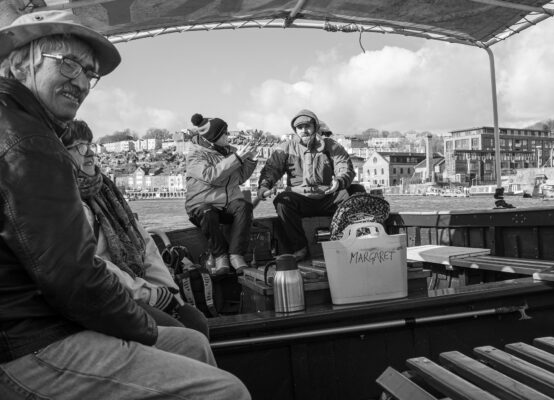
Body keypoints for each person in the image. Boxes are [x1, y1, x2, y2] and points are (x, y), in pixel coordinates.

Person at [0, 10, 249, 400]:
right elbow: (72, 277)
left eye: (88, 72)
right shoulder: (27, 141)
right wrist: (145, 325)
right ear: (18, 63)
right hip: (30, 343)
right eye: (68, 64)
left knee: (192, 344)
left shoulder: (25, 129)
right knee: (225, 391)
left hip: (47, 322)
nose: (81, 81)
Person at [63, 119, 210, 337]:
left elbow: (145, 245)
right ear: (60, 154)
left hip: (139, 287)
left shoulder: (107, 192)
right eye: (80, 147)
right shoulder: (62, 200)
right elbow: (90, 264)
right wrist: (147, 293)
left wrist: (170, 292)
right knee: (182, 335)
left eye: (90, 145)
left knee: (196, 320)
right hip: (108, 295)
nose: (90, 153)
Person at [257, 109, 356, 260]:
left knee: (352, 194)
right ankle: (300, 248)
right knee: (282, 202)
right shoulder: (286, 148)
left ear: (315, 127)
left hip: (327, 195)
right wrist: (264, 187)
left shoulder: (331, 146)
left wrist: (340, 181)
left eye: (308, 126)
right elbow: (271, 169)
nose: (304, 130)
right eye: (300, 127)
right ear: (295, 130)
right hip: (299, 197)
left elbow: (343, 166)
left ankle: (348, 243)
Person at [186, 113, 258, 275]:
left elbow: (239, 179)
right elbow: (210, 176)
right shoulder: (195, 154)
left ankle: (236, 255)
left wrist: (251, 160)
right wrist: (237, 158)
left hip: (226, 206)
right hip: (201, 206)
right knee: (207, 211)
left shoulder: (230, 152)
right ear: (214, 137)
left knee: (244, 206)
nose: (228, 135)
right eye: (225, 133)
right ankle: (220, 257)